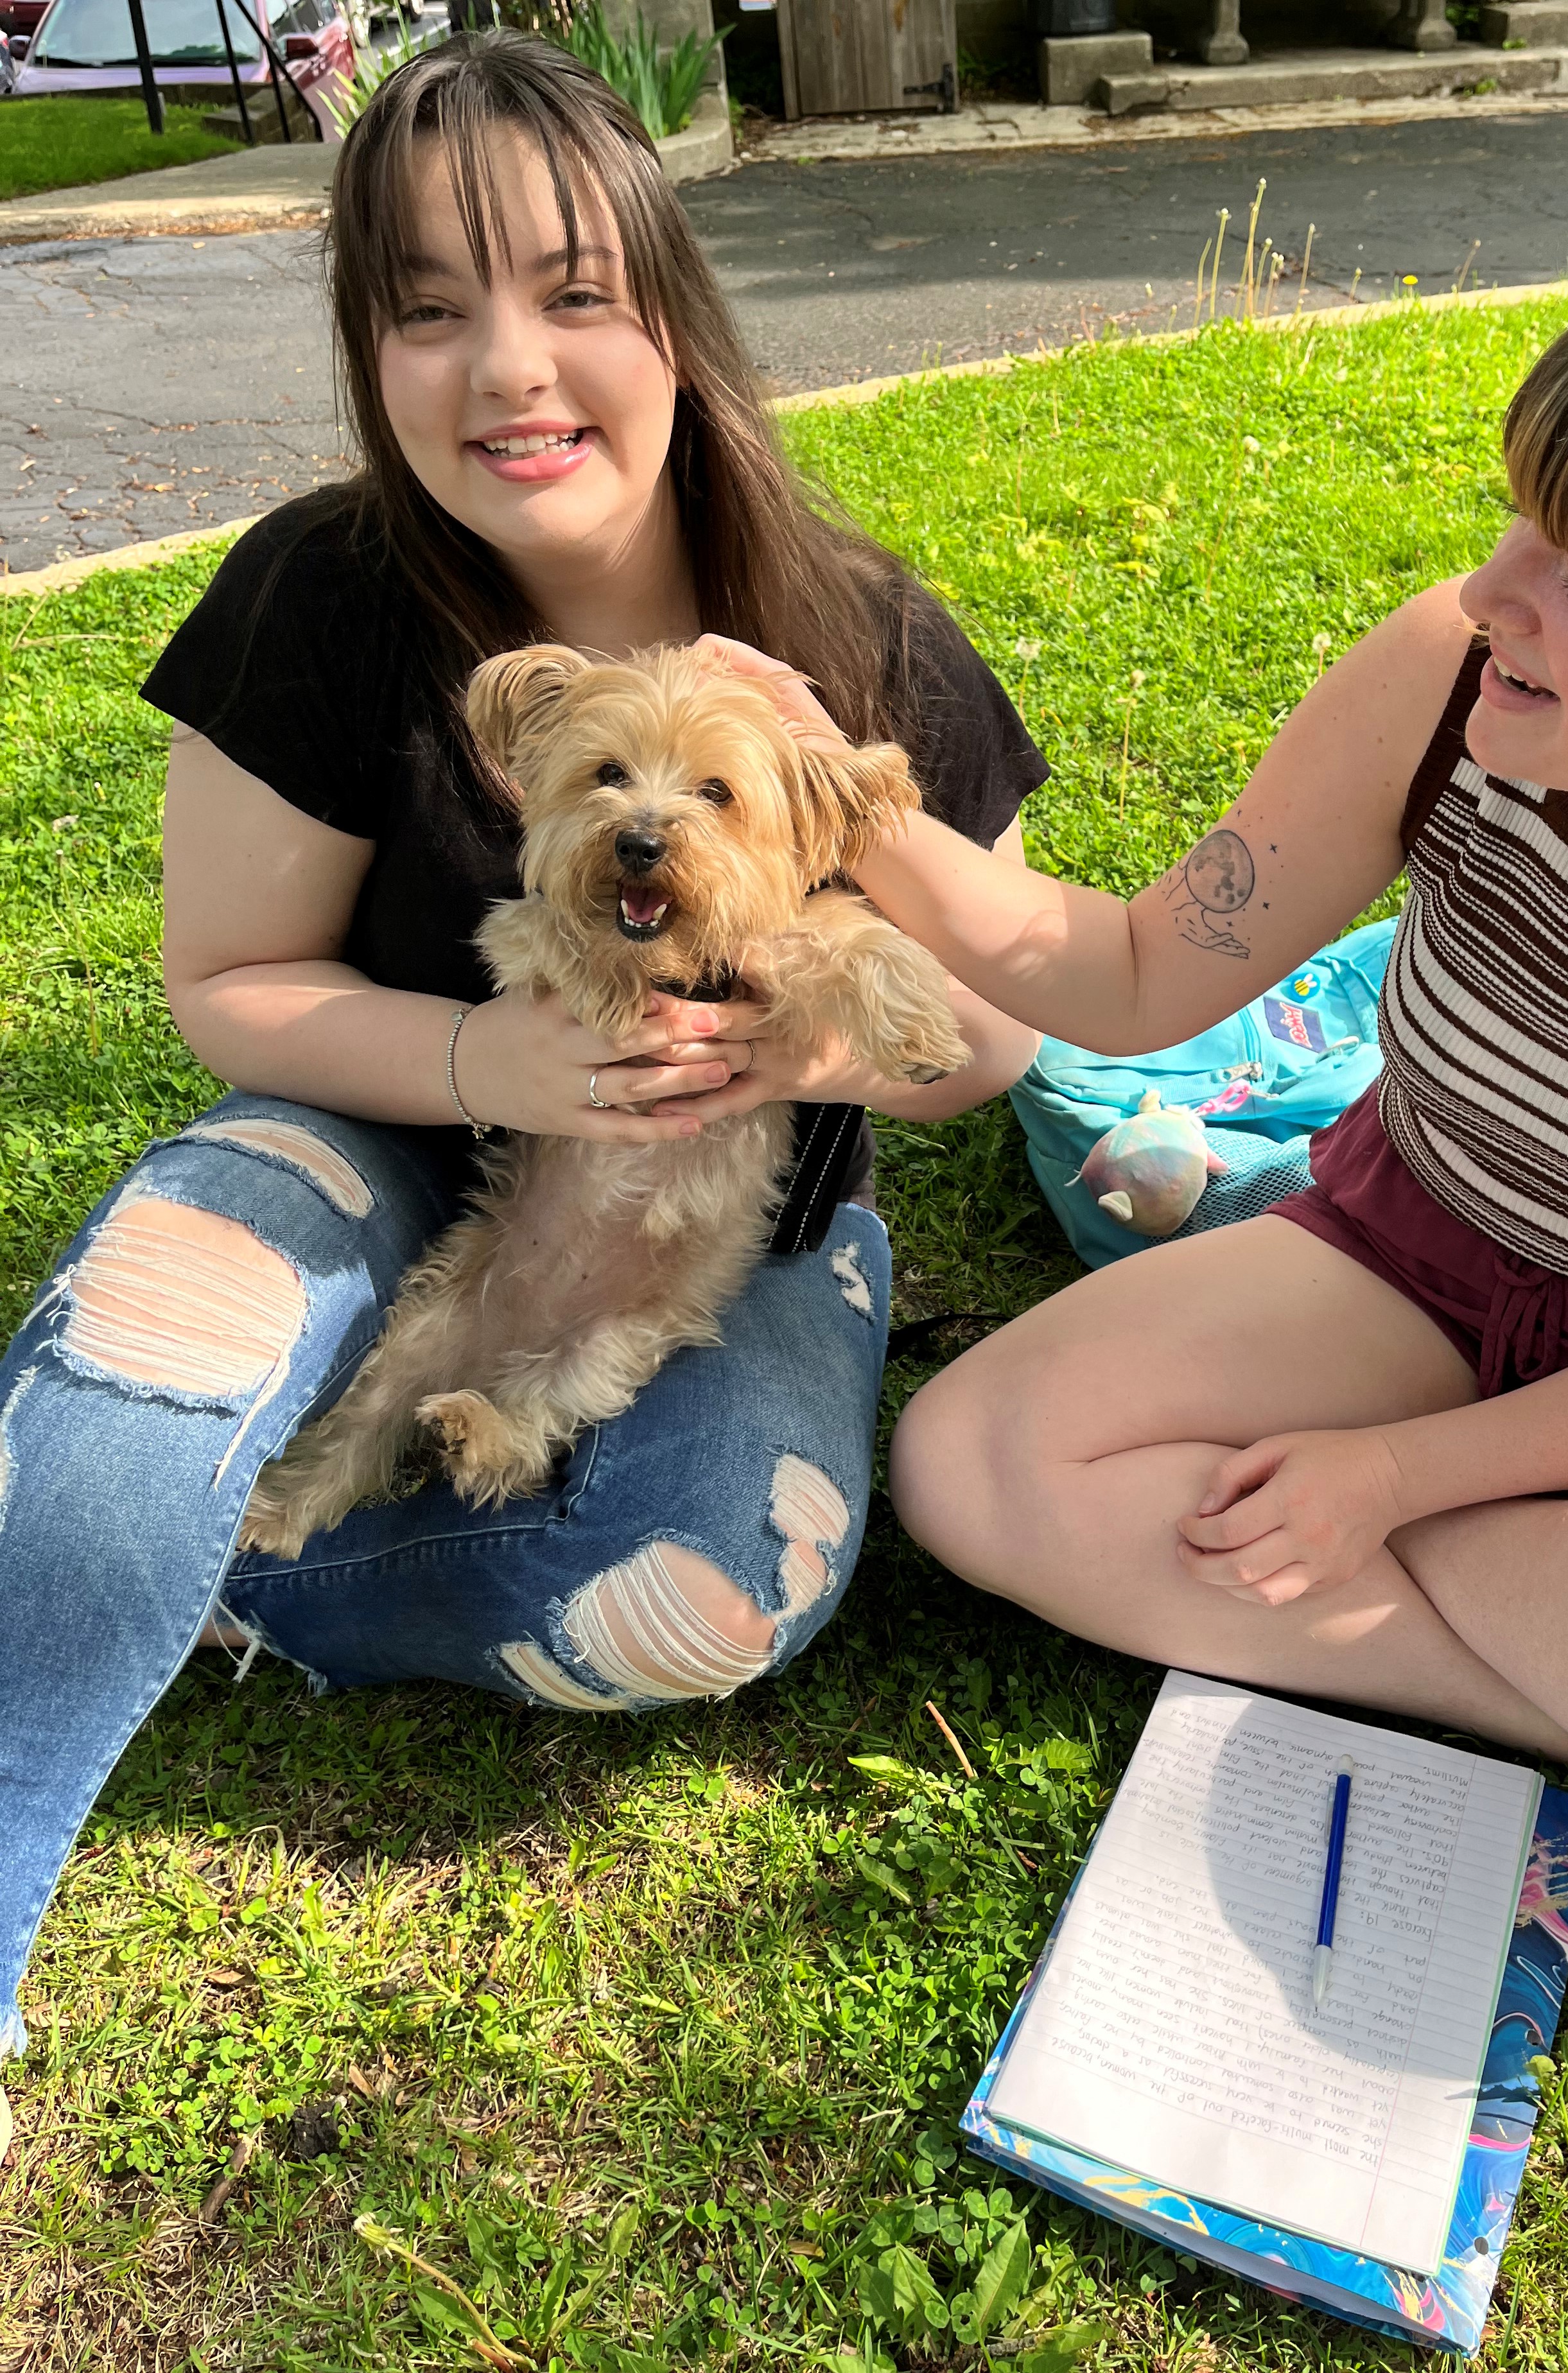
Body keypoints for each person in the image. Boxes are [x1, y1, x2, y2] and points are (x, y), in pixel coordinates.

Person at [0, 31, 1044, 2153]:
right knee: (154, 1356)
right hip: (379, 1130)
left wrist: (814, 1030)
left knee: (706, 1593)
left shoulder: (851, 631)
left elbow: (1000, 1037)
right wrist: (497, 1053)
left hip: (748, 1213)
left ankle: (161, 1551)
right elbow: (231, 984)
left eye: (573, 292)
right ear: (367, 347)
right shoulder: (318, 593)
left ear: (672, 309)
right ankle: (96, 1537)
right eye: (424, 306)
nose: (507, 370)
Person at [730, 238, 1568, 1922]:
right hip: (1422, 1260)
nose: (1503, 595)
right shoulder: (1454, 673)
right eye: (1522, 518)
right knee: (980, 1464)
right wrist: (853, 811)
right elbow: (1140, 973)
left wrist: (1388, 1480)